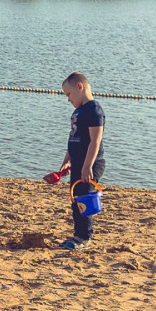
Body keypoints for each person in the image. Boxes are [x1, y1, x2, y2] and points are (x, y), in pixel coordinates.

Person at [52, 72, 106, 250]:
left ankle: (85, 238)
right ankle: (78, 235)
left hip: (90, 164)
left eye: (68, 94)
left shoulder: (94, 110)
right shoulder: (78, 111)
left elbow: (95, 140)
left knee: (84, 199)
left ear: (79, 87)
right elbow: (73, 138)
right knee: (75, 200)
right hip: (77, 163)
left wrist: (87, 166)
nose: (68, 99)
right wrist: (66, 161)